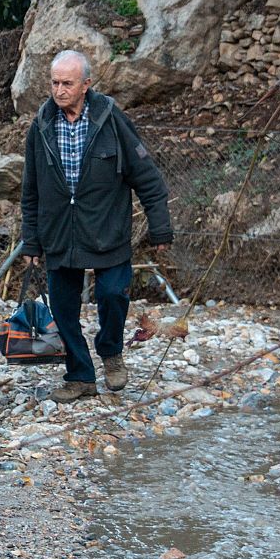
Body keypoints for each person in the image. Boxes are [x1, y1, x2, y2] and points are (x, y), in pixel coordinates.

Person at [19, 50, 173, 401]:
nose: (59, 91)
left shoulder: (111, 120)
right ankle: (80, 376)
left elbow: (147, 177)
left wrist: (160, 228)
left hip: (108, 230)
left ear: (86, 84)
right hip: (60, 233)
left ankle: (111, 352)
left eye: (67, 83)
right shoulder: (42, 126)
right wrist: (31, 241)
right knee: (63, 308)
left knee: (112, 294)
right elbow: (31, 190)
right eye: (54, 83)